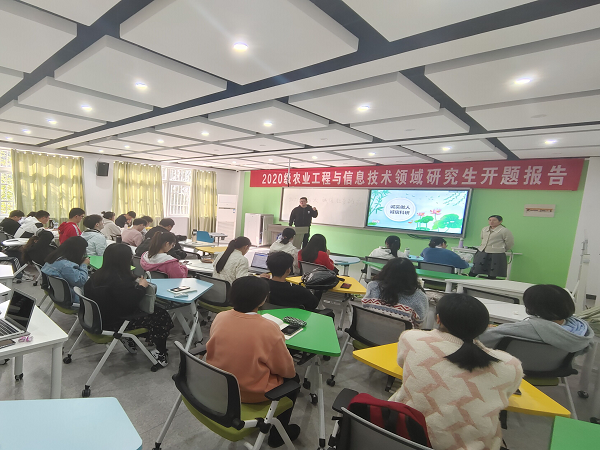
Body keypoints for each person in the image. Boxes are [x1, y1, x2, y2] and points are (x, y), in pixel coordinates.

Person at [389, 294, 523, 450]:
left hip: (401, 432)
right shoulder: (509, 365)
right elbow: (507, 394)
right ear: (486, 327)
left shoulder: (412, 338)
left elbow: (402, 363)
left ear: (438, 319)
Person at [206, 276, 301, 447]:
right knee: (293, 381)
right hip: (251, 394)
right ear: (263, 299)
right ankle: (278, 434)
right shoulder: (268, 328)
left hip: (221, 386)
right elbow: (286, 370)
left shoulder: (220, 317)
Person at [84, 243, 174, 366]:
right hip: (114, 323)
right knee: (161, 316)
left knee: (153, 313)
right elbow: (130, 302)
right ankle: (160, 353)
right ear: (125, 260)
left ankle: (130, 339)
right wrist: (142, 287)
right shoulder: (118, 281)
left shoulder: (97, 275)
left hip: (97, 319)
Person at [480, 284, 594, 353]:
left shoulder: (525, 328)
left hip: (514, 369)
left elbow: (481, 339)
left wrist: (488, 329)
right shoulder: (580, 330)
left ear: (532, 306)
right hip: (555, 369)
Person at [361, 257, 429, 328]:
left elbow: (365, 307)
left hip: (370, 332)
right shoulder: (419, 297)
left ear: (385, 271)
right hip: (401, 335)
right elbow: (419, 324)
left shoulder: (373, 286)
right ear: (412, 276)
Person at [41, 236, 89, 305]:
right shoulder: (66, 266)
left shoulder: (54, 258)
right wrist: (84, 265)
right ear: (77, 251)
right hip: (73, 299)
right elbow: (80, 281)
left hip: (56, 294)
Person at [470, 215, 514, 279]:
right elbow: (482, 238)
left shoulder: (504, 230)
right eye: (490, 220)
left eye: (494, 220)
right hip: (482, 251)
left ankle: (490, 282)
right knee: (475, 268)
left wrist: (504, 249)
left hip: (496, 253)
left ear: (500, 221)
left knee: (493, 271)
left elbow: (509, 242)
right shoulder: (484, 229)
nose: (491, 222)